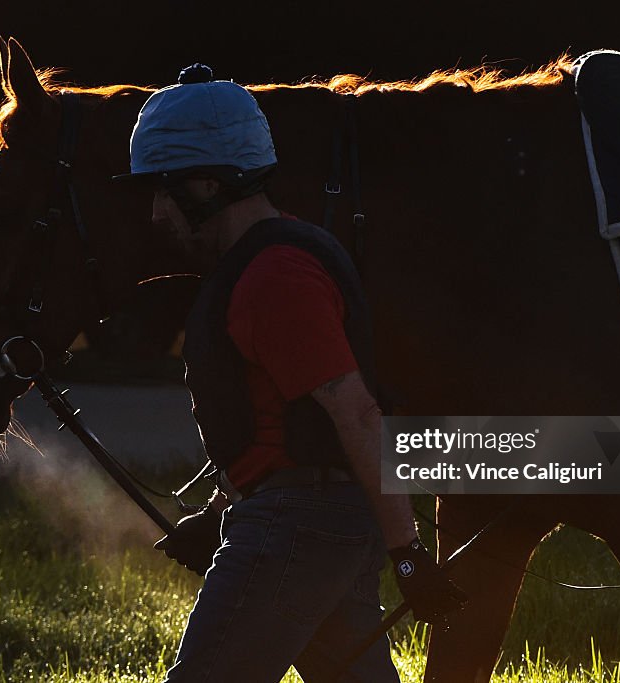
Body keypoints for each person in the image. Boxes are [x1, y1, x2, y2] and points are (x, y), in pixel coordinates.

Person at [115, 63, 464, 682]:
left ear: (204, 186)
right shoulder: (272, 260)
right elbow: (285, 426)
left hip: (297, 528)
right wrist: (224, 505)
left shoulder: (275, 278)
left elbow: (354, 413)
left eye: (162, 192)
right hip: (314, 521)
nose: (154, 216)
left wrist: (409, 554)